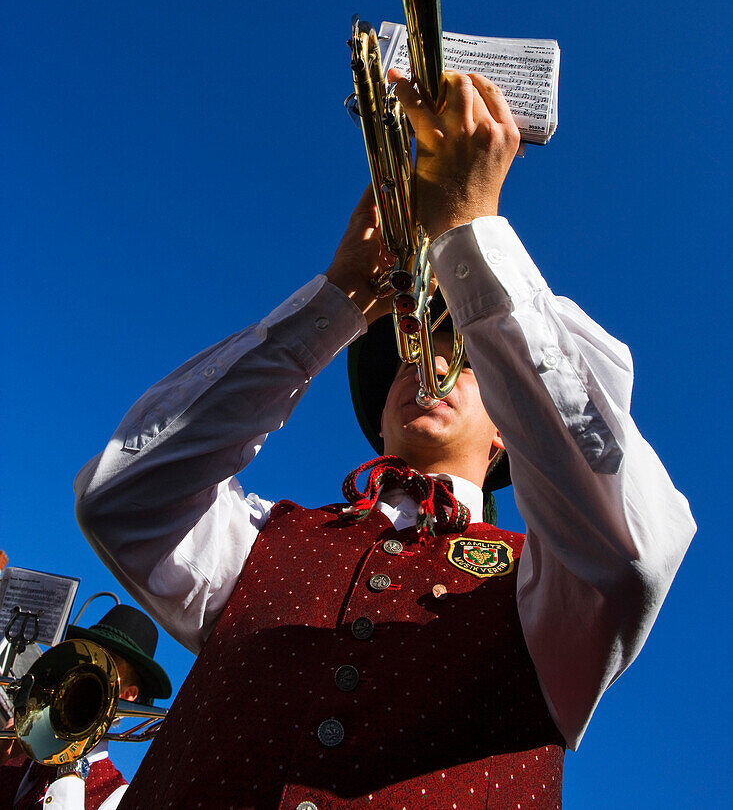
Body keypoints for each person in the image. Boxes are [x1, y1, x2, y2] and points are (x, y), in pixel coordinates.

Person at [74, 69, 695, 809]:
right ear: (378, 421)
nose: (427, 366)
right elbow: (121, 495)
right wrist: (338, 301)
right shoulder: (265, 538)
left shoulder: (551, 580)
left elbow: (634, 550)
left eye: (462, 362)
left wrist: (472, 230)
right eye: (407, 358)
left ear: (509, 430)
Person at [0, 605, 171, 810]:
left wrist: (70, 761)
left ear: (127, 695)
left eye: (104, 668)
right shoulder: (23, 755)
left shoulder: (118, 796)